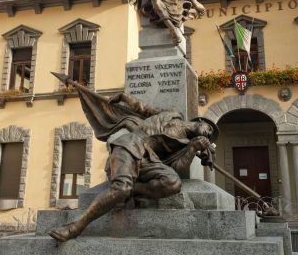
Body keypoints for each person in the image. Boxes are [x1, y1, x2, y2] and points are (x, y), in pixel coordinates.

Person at [49, 81, 218, 243]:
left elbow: (176, 168)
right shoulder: (173, 114)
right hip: (130, 144)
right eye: (208, 129)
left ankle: (132, 190)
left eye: (209, 136)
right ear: (200, 121)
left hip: (149, 158)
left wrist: (193, 148)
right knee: (120, 189)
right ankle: (75, 227)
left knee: (173, 183)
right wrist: (124, 97)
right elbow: (144, 109)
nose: (208, 134)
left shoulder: (186, 144)